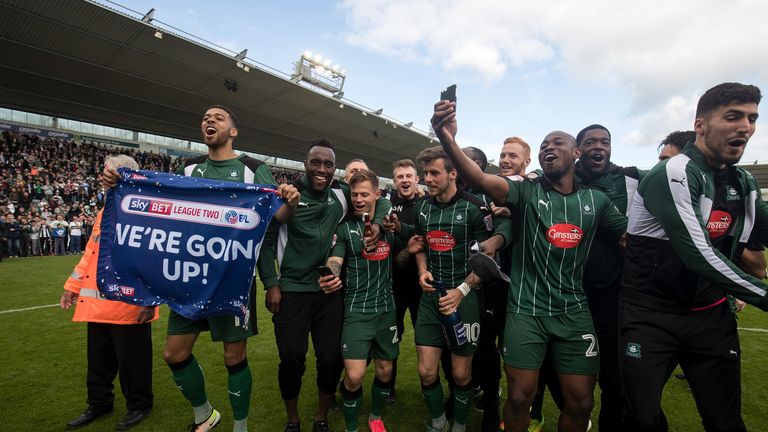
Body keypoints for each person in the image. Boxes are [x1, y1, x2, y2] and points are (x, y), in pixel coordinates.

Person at [431, 100, 627, 432]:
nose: (547, 148)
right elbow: (479, 179)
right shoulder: (526, 191)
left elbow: (630, 242)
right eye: (543, 146)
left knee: (581, 403)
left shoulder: (597, 201)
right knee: (520, 397)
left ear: (576, 153)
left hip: (574, 311)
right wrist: (446, 136)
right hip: (526, 310)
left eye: (557, 143)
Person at [103, 105, 299, 432]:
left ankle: (241, 426)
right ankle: (205, 414)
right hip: (189, 279)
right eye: (206, 117)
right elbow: (170, 222)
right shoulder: (189, 168)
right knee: (173, 354)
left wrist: (289, 204)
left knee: (234, 358)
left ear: (233, 131)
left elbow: (274, 222)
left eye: (218, 117)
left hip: (233, 281)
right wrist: (120, 178)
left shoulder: (254, 168)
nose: (209, 120)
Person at [620, 82, 768, 431]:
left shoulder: (743, 181)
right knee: (641, 419)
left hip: (710, 317)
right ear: (700, 125)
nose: (745, 126)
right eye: (733, 116)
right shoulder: (672, 172)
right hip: (650, 317)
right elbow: (698, 255)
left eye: (752, 118)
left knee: (725, 421)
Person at [258, 138, 390, 432]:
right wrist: (271, 283)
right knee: (291, 358)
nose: (321, 169)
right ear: (305, 164)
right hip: (292, 290)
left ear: (334, 169)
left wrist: (379, 225)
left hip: (329, 293)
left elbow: (379, 199)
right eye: (315, 162)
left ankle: (321, 417)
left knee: (330, 359)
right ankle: (293, 420)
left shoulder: (341, 196)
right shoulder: (287, 196)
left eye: (328, 164)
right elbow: (266, 242)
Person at [393, 146, 492, 432]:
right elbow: (421, 244)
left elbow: (487, 260)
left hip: (465, 299)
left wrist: (461, 290)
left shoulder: (474, 207)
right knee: (425, 371)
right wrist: (423, 271)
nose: (428, 179)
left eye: (434, 173)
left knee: (461, 375)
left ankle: (459, 425)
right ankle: (438, 423)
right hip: (431, 299)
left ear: (452, 173)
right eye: (426, 173)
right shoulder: (423, 207)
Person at [61, 155, 159, 431]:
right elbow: (90, 254)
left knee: (133, 363)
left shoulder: (144, 210)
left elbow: (152, 259)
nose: (103, 177)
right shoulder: (106, 210)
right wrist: (72, 287)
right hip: (97, 304)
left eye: (109, 172)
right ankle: (99, 403)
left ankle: (140, 405)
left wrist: (149, 300)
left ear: (125, 175)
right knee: (98, 362)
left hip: (129, 304)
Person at [320, 169, 398, 432]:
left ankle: (375, 417)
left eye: (365, 194)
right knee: (353, 376)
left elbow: (394, 221)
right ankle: (351, 427)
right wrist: (330, 273)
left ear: (377, 194)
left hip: (386, 310)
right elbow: (335, 260)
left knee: (385, 371)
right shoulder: (344, 229)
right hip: (357, 310)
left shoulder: (388, 224)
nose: (358, 199)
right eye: (354, 194)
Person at [386, 159, 423, 403]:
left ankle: (428, 383)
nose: (405, 180)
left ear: (417, 179)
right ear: (394, 180)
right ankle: (388, 387)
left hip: (422, 284)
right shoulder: (386, 204)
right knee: (392, 337)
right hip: (394, 283)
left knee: (427, 338)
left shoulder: (425, 204)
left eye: (409, 176)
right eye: (400, 176)